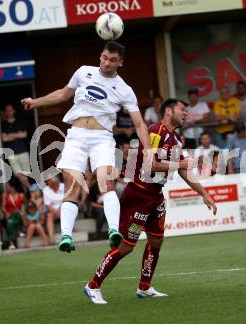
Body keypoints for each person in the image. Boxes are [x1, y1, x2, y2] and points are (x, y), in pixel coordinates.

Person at [83, 98, 217, 304]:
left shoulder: (176, 139)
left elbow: (183, 170)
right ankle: (93, 285)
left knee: (156, 240)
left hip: (155, 195)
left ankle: (144, 287)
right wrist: (180, 162)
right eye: (182, 110)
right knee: (126, 246)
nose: (185, 114)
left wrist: (204, 194)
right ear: (168, 111)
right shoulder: (155, 131)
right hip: (138, 193)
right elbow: (149, 166)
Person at [21, 41, 151, 252]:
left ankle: (113, 231)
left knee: (105, 181)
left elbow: (139, 123)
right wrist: (35, 102)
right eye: (105, 58)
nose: (107, 63)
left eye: (113, 60)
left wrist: (149, 150)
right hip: (76, 135)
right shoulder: (83, 72)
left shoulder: (125, 89)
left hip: (102, 137)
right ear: (100, 56)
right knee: (71, 182)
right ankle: (65, 236)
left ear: (121, 63)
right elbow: (63, 94)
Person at [1, 104, 31, 191]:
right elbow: (4, 138)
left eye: (10, 110)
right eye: (7, 110)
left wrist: (10, 134)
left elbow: (24, 134)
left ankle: (26, 194)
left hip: (23, 151)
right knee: (18, 174)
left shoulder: (20, 122)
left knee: (26, 174)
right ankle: (30, 190)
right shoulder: (3, 125)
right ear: (5, 112)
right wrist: (17, 134)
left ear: (14, 111)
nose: (9, 112)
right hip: (11, 153)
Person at [1, 178, 25, 249]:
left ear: (12, 187)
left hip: (19, 216)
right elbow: (3, 207)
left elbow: (25, 206)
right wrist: (6, 213)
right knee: (10, 223)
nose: (6, 188)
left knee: (15, 215)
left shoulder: (21, 195)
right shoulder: (5, 195)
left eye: (7, 186)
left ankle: (12, 242)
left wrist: (23, 213)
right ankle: (18, 233)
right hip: (9, 216)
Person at [42, 176, 64, 244]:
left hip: (63, 208)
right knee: (49, 216)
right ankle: (51, 239)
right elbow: (48, 206)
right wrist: (56, 212)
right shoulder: (46, 190)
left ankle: (66, 236)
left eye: (50, 182)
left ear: (56, 183)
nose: (48, 183)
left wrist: (60, 210)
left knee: (66, 211)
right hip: (52, 211)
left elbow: (66, 200)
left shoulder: (64, 186)